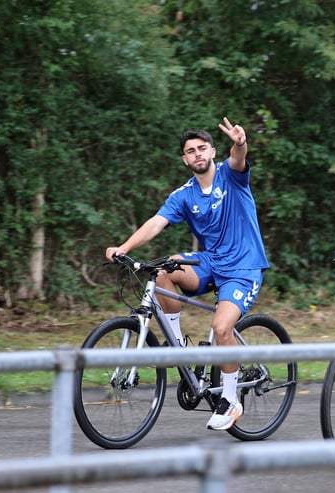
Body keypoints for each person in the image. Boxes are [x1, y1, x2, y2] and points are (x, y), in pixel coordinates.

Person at [105, 117, 269, 431]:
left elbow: (238, 158)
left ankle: (231, 399)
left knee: (221, 327)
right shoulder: (184, 195)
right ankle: (179, 348)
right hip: (212, 262)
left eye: (202, 148)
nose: (197, 154)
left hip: (243, 267)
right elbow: (156, 223)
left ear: (213, 151)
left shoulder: (230, 175)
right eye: (191, 151)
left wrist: (240, 142)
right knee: (164, 268)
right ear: (185, 159)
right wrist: (123, 248)